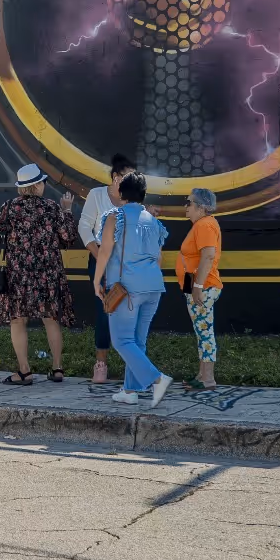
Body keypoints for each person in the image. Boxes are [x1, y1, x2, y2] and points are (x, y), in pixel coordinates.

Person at [0, 163, 79, 385]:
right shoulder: (51, 207)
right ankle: (57, 368)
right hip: (48, 273)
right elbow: (68, 237)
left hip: (18, 274)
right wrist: (67, 210)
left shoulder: (10, 207)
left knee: (18, 321)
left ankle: (24, 371)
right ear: (38, 185)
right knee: (51, 319)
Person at [95, 171, 173, 407]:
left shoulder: (115, 217)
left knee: (121, 341)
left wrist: (96, 280)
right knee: (137, 341)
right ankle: (130, 390)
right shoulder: (153, 221)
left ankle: (157, 379)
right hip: (154, 287)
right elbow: (158, 258)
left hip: (127, 288)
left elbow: (105, 251)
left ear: (120, 193)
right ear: (143, 194)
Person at [79, 153, 136, 383]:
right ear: (115, 176)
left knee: (127, 311)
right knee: (105, 311)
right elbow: (84, 227)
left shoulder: (133, 197)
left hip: (127, 261)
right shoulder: (97, 195)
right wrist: (98, 254)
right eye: (127, 176)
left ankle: (130, 366)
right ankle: (101, 363)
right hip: (101, 259)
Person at [176, 187, 223, 390]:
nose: (185, 207)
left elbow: (208, 256)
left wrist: (197, 286)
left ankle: (208, 378)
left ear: (201, 207)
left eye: (189, 203)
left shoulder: (204, 225)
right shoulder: (201, 225)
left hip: (203, 286)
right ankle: (202, 375)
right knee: (201, 331)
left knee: (204, 332)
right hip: (196, 284)